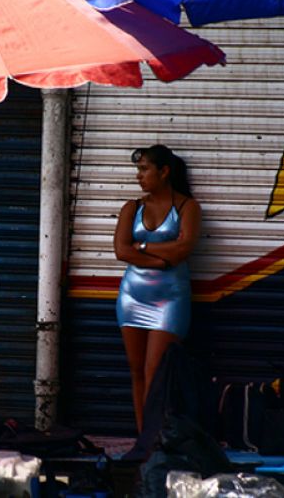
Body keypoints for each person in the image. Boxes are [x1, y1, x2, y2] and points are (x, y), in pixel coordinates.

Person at [113, 144, 201, 433]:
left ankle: (157, 437)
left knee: (156, 374)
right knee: (136, 371)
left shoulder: (187, 207)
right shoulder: (132, 207)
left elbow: (184, 249)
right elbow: (121, 251)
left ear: (164, 172)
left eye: (144, 169)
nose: (139, 176)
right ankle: (144, 439)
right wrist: (160, 257)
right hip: (132, 296)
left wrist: (142, 247)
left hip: (169, 300)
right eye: (138, 170)